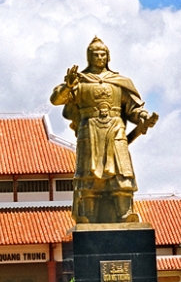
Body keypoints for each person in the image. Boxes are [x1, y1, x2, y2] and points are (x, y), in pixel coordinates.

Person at [50, 37, 158, 224]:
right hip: (90, 130)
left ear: (108, 57)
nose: (99, 57)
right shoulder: (80, 81)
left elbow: (133, 108)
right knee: (89, 174)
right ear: (88, 57)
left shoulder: (119, 82)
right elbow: (56, 100)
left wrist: (143, 117)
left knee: (121, 173)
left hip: (115, 129)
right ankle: (88, 214)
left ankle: (124, 213)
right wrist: (68, 86)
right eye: (95, 54)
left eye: (103, 54)